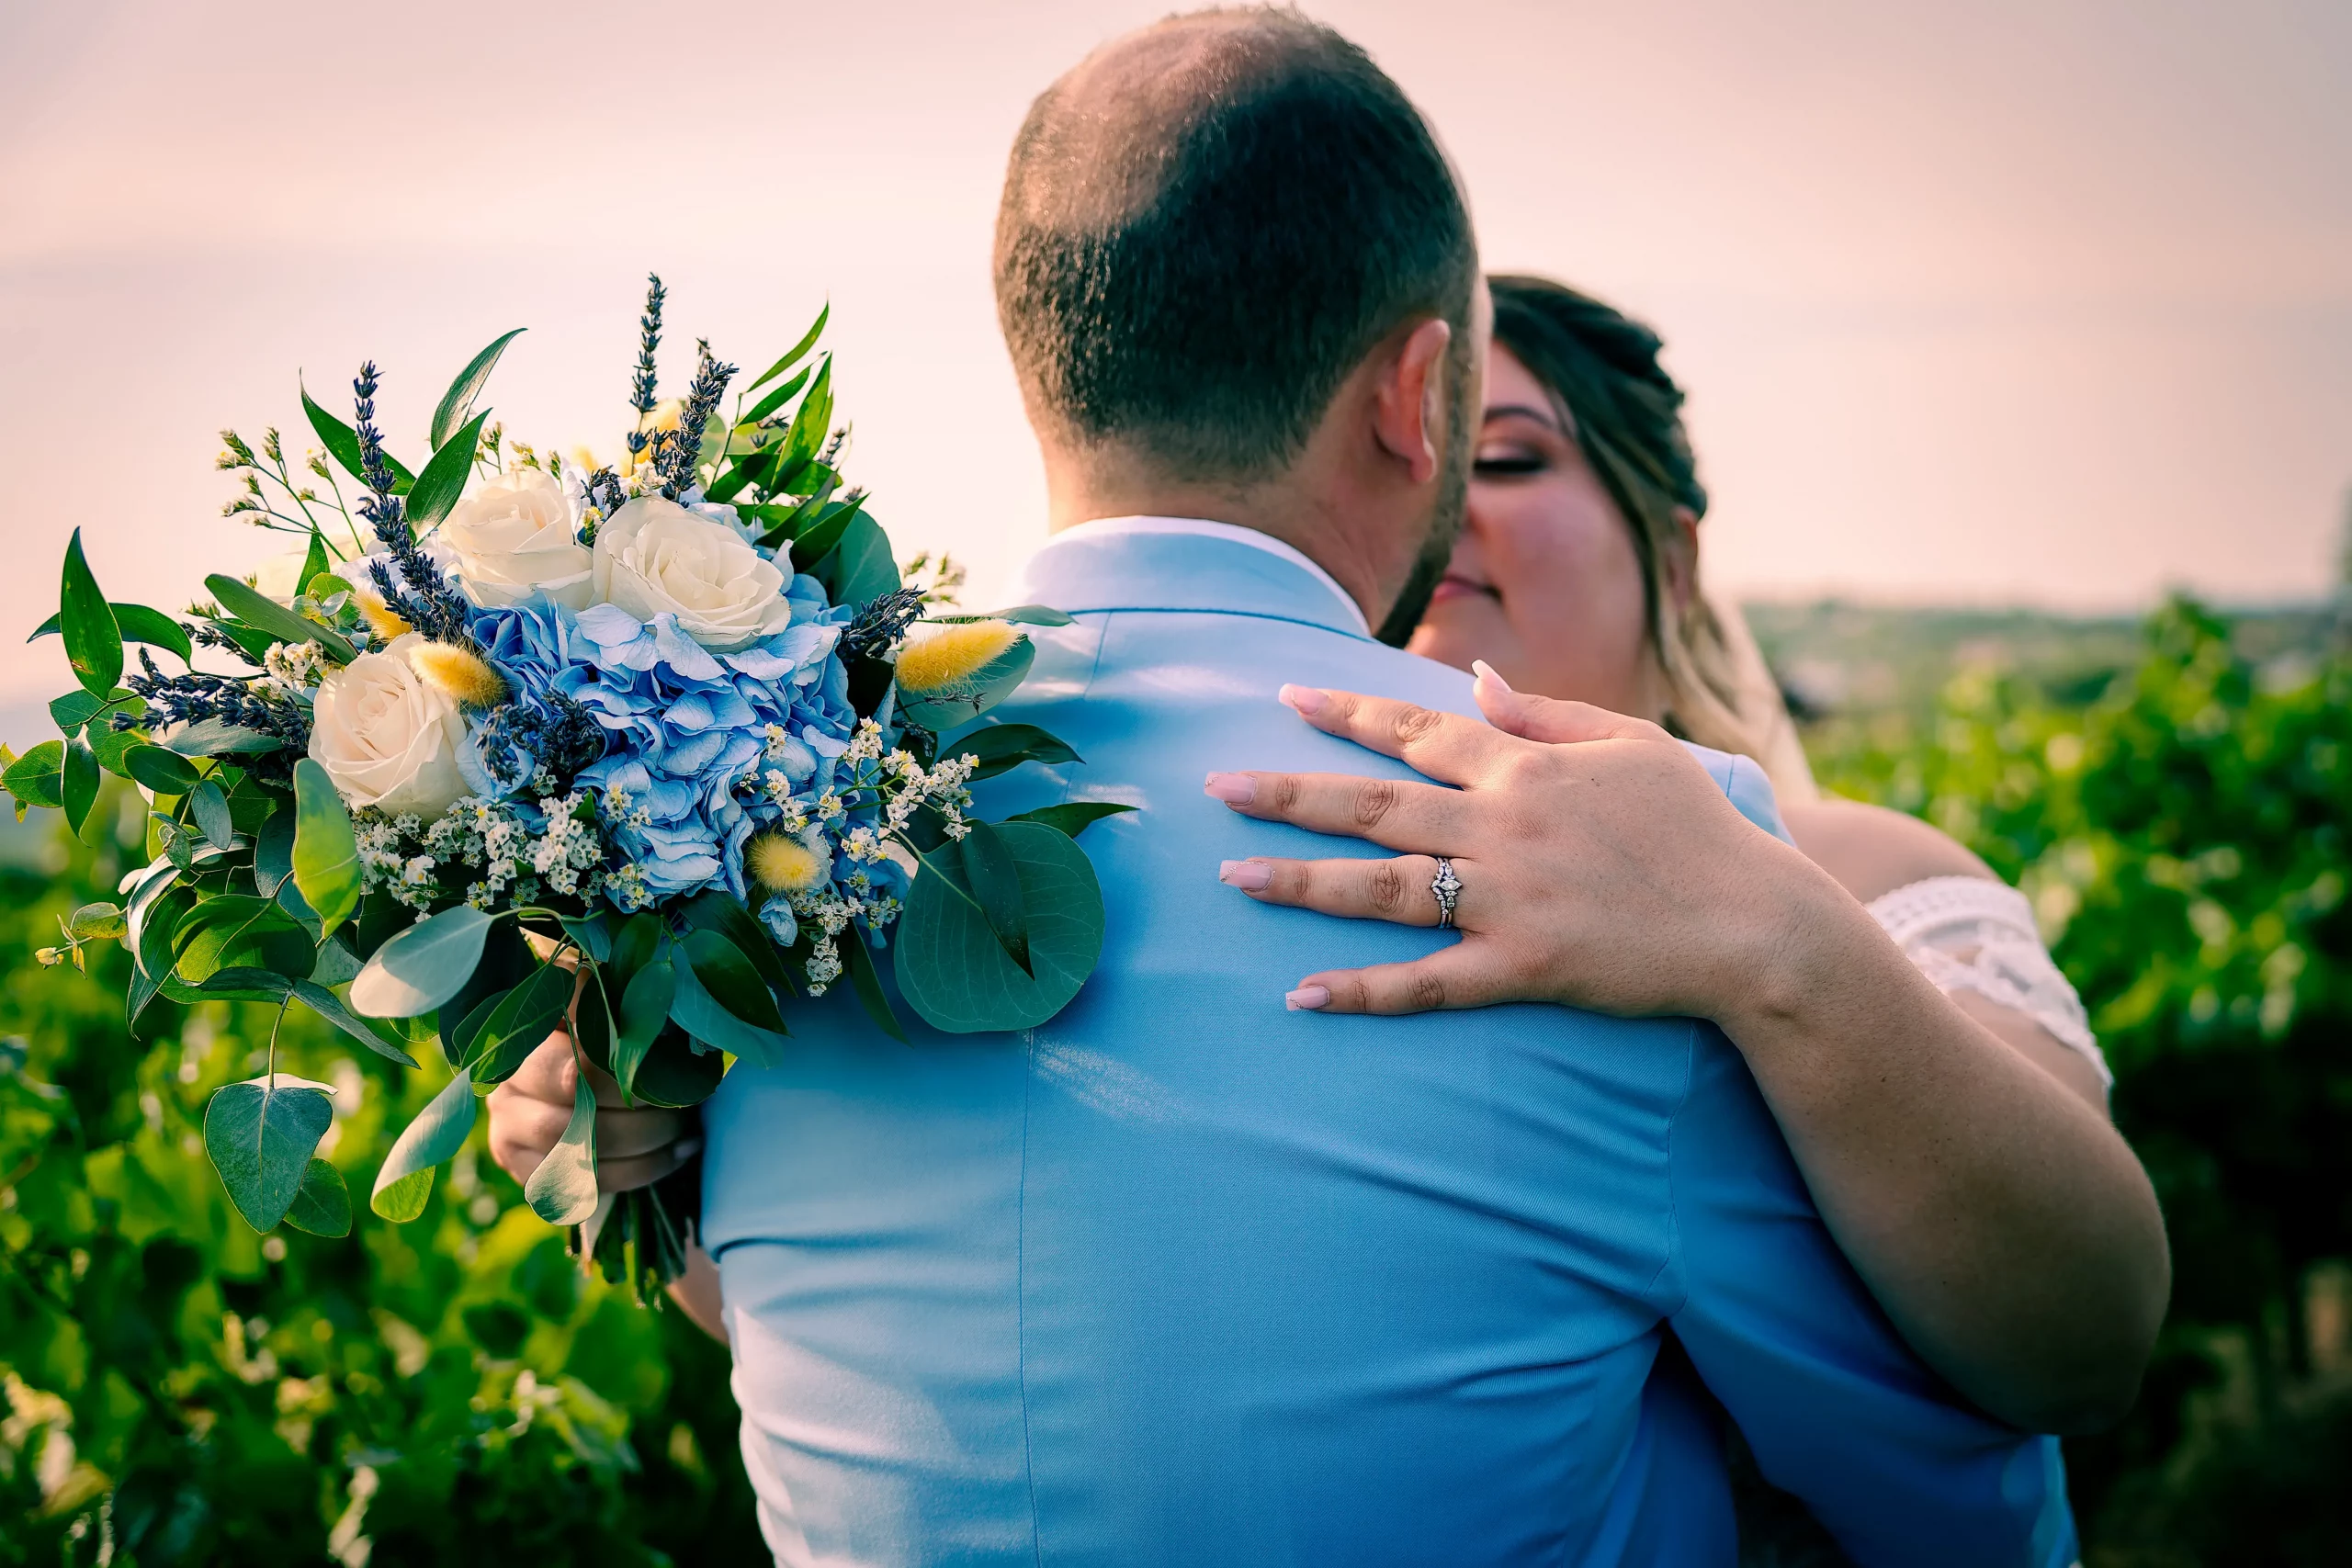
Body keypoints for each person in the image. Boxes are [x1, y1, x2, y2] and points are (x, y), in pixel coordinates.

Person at [492, 11, 2086, 1564]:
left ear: (1046, 371)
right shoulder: (1643, 916)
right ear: (1414, 393)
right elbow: (1967, 1465)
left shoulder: (754, 857)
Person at [1206, 276, 2167, 1441]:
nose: (1443, 500)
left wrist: (1768, 934)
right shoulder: (1275, 890)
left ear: (1669, 551)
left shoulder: (1861, 870)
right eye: (1405, 461)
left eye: (1503, 460)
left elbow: (2092, 1334)